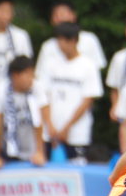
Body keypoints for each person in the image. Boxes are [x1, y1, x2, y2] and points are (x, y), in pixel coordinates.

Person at [39, 23, 103, 164]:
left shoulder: (88, 66)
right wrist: (49, 125)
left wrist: (67, 127)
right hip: (50, 132)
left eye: (62, 41)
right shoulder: (50, 64)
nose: (59, 45)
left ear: (73, 41)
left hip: (77, 134)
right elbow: (43, 95)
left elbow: (88, 100)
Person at [0, 56, 46, 168]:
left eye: (32, 74)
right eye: (28, 74)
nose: (31, 78)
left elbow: (39, 123)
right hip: (7, 149)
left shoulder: (36, 88)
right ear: (15, 76)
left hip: (31, 149)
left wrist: (40, 152)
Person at [36, 2, 106, 78]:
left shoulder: (89, 39)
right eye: (55, 15)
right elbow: (40, 74)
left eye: (62, 14)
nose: (59, 18)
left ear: (73, 15)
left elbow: (96, 68)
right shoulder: (48, 46)